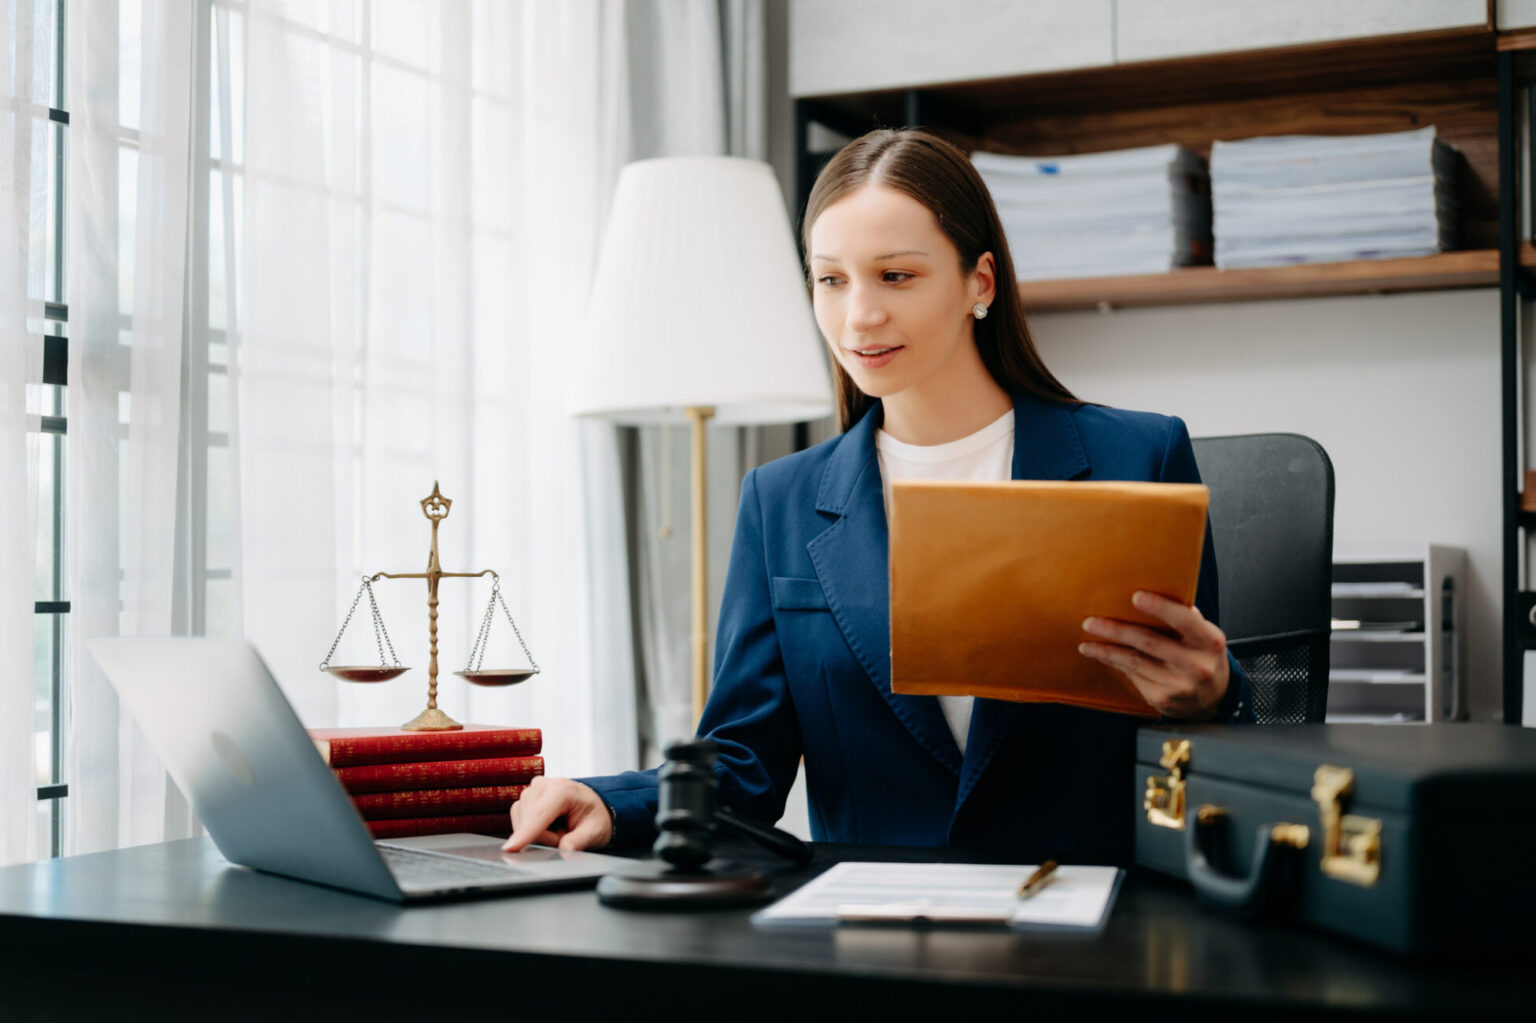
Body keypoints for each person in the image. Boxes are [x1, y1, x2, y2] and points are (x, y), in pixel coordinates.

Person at [505, 128, 1252, 864]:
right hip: (873, 932)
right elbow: (742, 762)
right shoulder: (782, 500)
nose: (858, 315)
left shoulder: (1140, 455)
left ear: (979, 284)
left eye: (896, 276)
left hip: (1092, 926)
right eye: (831, 279)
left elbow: (1226, 746)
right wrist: (610, 799)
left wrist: (1215, 696)